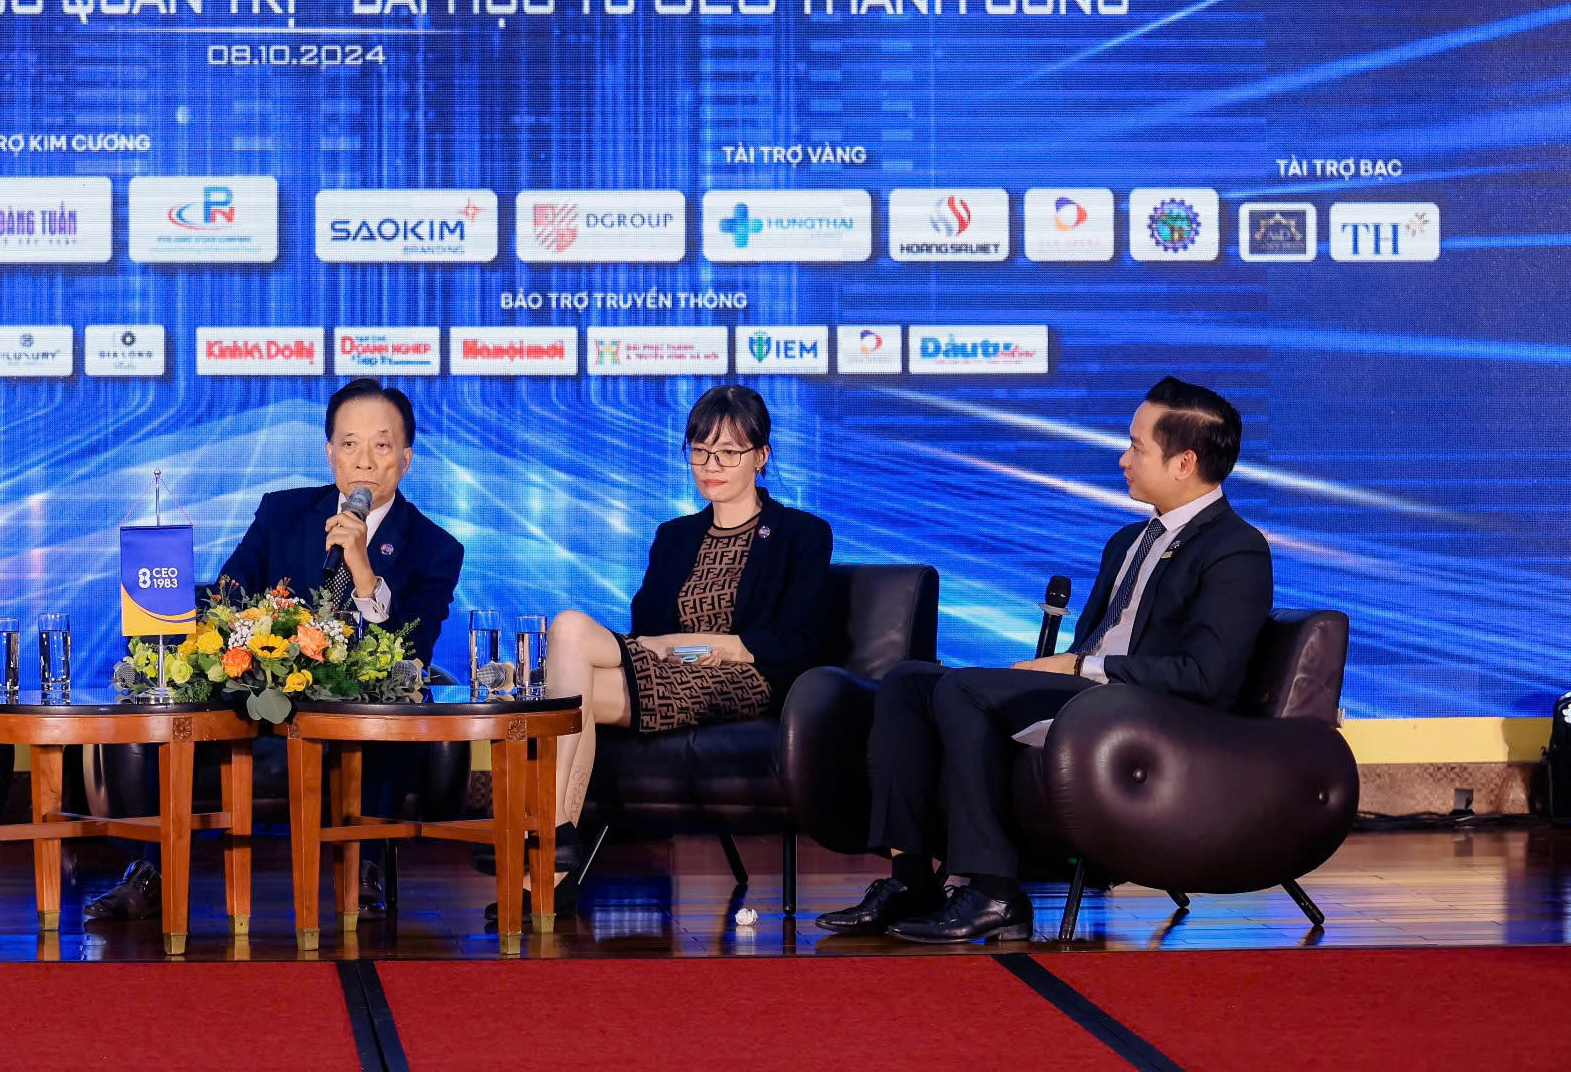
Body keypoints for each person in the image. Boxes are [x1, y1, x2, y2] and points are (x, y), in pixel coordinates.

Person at [817, 374, 1274, 943]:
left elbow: (1205, 676)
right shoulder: (1129, 540)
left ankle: (995, 892)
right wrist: (1071, 666)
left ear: (1184, 463)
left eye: (1136, 447)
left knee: (964, 690)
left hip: (1148, 712)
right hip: (1093, 694)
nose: (1123, 458)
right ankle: (910, 879)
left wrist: (1077, 667)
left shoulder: (1235, 548)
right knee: (908, 682)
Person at [85, 376, 465, 922]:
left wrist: (362, 570)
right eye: (349, 444)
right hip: (260, 693)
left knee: (391, 704)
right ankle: (151, 868)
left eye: (381, 445)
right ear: (330, 453)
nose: (364, 461)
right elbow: (227, 597)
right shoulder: (282, 512)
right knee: (183, 700)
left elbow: (412, 649)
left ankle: (365, 869)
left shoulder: (435, 548)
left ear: (406, 458)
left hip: (358, 709)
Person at [534, 383, 833, 906]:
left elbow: (800, 640)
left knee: (570, 644)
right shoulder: (674, 535)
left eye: (728, 452)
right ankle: (552, 860)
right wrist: (673, 646)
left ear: (761, 456)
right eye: (699, 451)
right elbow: (644, 629)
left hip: (744, 679)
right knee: (573, 678)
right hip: (665, 669)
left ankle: (547, 849)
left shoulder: (800, 533)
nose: (710, 466)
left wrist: (709, 646)